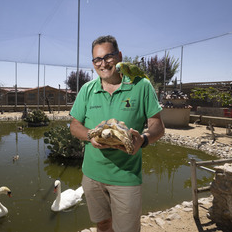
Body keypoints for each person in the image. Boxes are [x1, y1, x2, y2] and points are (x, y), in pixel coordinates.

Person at [69, 35, 165, 232]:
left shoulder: (141, 86)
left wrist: (143, 140)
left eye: (108, 57)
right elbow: (74, 126)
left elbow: (158, 126)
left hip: (126, 177)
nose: (103, 63)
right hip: (92, 175)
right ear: (93, 62)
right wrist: (91, 136)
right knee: (103, 224)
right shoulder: (87, 89)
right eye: (97, 59)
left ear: (119, 56)